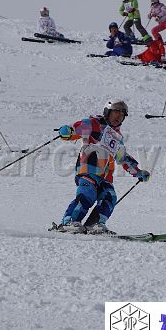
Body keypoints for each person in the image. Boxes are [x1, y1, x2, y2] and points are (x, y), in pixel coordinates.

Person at [55, 100, 151, 234]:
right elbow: (76, 129)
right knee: (87, 194)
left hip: (105, 175)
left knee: (109, 197)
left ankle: (95, 225)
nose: (118, 117)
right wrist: (67, 131)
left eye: (121, 115)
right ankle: (69, 222)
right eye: (115, 113)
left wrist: (138, 172)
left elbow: (122, 157)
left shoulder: (117, 137)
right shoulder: (93, 124)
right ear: (107, 112)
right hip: (88, 169)